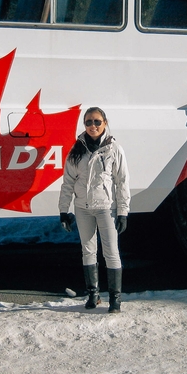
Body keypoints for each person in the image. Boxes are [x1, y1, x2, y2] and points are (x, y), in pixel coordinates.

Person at [59, 107, 130, 313]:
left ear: (105, 123)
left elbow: (122, 181)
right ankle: (93, 295)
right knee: (88, 251)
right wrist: (64, 210)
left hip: (106, 208)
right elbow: (68, 183)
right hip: (83, 209)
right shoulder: (76, 150)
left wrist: (123, 211)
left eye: (97, 122)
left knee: (111, 253)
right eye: (88, 122)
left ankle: (115, 299)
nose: (93, 126)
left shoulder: (114, 149)